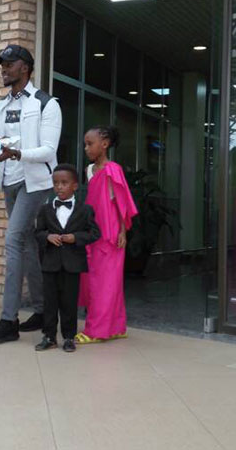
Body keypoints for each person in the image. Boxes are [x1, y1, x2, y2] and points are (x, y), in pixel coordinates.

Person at [0, 44, 62, 344]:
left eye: (8, 64)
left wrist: (17, 153)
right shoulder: (1, 105)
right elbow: (1, 142)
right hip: (10, 181)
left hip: (36, 183)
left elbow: (49, 151)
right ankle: (41, 311)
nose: (3, 68)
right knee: (26, 244)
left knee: (13, 241)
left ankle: (8, 321)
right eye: (2, 64)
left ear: (24, 68)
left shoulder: (46, 103)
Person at [76, 126, 138, 344]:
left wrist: (123, 231)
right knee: (102, 281)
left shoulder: (113, 169)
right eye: (85, 143)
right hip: (92, 232)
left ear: (105, 143)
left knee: (104, 282)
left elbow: (121, 202)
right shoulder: (89, 170)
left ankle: (95, 330)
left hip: (110, 233)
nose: (86, 148)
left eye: (90, 143)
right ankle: (117, 327)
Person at [34, 164, 100, 352]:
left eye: (64, 183)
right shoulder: (45, 209)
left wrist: (76, 238)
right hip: (50, 264)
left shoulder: (85, 210)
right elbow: (37, 232)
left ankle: (69, 337)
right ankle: (49, 336)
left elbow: (94, 233)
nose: (60, 187)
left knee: (69, 302)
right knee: (50, 302)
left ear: (75, 186)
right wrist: (47, 237)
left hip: (73, 264)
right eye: (56, 183)